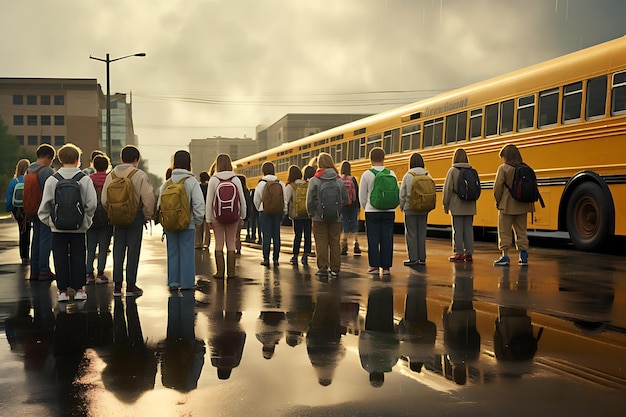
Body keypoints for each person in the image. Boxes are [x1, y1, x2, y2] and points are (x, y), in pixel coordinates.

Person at [38, 143, 97, 301]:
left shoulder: (52, 180)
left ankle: (62, 291)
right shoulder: (84, 179)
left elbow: (44, 207)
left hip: (58, 229)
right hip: (79, 228)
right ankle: (79, 290)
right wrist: (85, 222)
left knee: (60, 258)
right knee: (78, 258)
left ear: (59, 159)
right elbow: (91, 204)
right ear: (78, 160)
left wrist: (52, 223)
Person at [101, 145, 155, 297]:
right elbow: (148, 197)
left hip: (116, 218)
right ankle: (131, 286)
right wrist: (147, 215)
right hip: (135, 217)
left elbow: (104, 200)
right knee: (133, 250)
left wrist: (113, 212)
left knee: (118, 250)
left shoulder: (111, 175)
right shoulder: (139, 175)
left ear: (121, 159)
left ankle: (117, 286)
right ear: (137, 160)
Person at [158, 150, 205, 289]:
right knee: (187, 253)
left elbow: (160, 204)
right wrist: (196, 221)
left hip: (170, 224)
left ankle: (173, 282)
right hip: (187, 224)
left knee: (172, 253)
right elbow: (198, 204)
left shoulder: (167, 183)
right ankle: (187, 283)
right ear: (189, 163)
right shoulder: (191, 182)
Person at [206, 153, 247, 279]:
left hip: (217, 216)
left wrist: (208, 218)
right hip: (233, 216)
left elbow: (209, 201)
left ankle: (219, 272)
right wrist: (242, 216)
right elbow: (242, 200)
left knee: (219, 243)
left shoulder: (214, 180)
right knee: (231, 243)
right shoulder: (235, 180)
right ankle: (231, 272)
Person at [306, 153, 347, 277]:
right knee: (335, 242)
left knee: (321, 242)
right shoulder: (339, 180)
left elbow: (309, 200)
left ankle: (323, 268)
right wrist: (337, 210)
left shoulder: (314, 180)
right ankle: (335, 269)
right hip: (336, 217)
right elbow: (344, 198)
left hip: (319, 217)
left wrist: (311, 213)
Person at [493, 144, 535, 266]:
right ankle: (523, 255)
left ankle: (505, 256)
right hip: (523, 205)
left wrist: (498, 200)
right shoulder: (525, 167)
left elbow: (497, 188)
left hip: (506, 205)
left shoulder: (503, 168)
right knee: (521, 231)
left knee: (504, 231)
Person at [359, 147, 397, 275]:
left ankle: (374, 266)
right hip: (389, 211)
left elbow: (362, 196)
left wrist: (367, 207)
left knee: (373, 239)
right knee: (387, 238)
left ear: (370, 159)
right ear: (384, 158)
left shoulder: (367, 174)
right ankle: (386, 268)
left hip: (372, 211)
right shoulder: (391, 173)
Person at [26, 144, 56, 281]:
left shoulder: (29, 170)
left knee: (36, 239)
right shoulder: (46, 171)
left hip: (32, 208)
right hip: (44, 210)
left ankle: (35, 270)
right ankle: (44, 270)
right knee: (45, 239)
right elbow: (51, 193)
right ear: (48, 157)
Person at [442, 148, 477, 262]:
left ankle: (458, 252)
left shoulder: (452, 171)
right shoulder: (472, 170)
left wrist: (445, 204)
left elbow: (447, 189)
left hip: (457, 205)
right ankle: (469, 253)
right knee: (468, 229)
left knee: (457, 230)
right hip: (470, 205)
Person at [399, 153, 433, 266]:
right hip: (424, 208)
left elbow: (402, 193)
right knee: (422, 233)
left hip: (410, 208)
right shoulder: (427, 174)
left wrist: (402, 206)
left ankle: (413, 258)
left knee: (411, 233)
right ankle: (422, 258)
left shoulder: (408, 175)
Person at [86, 154, 113, 284]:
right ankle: (100, 274)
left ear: (93, 166)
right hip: (107, 218)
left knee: (90, 248)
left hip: (91, 217)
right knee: (103, 247)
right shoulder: (111, 179)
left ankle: (89, 274)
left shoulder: (88, 179)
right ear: (107, 166)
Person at [253, 161, 285, 267]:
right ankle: (276, 259)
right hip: (277, 212)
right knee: (276, 236)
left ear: (263, 171)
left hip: (264, 212)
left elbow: (256, 199)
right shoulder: (280, 183)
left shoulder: (261, 184)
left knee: (266, 235)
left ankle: (266, 259)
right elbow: (284, 200)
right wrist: (283, 212)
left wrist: (260, 208)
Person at [5, 158, 31, 265]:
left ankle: (23, 255)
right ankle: (27, 255)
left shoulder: (14, 181)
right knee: (28, 230)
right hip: (27, 208)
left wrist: (10, 209)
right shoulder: (29, 180)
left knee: (21, 230)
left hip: (17, 209)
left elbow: (9, 197)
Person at [284, 165, 311, 265]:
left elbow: (286, 199)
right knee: (307, 235)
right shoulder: (307, 184)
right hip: (307, 213)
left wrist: (285, 212)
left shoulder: (290, 186)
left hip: (297, 215)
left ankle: (295, 255)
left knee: (298, 235)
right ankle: (305, 256)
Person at [339, 161, 361, 256]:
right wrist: (358, 207)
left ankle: (344, 246)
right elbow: (357, 193)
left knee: (345, 226)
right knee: (354, 225)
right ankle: (356, 245)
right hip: (353, 205)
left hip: (343, 206)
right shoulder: (353, 179)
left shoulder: (339, 179)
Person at [235, 174, 251, 255]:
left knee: (234, 233)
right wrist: (247, 216)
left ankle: (233, 248)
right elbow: (248, 203)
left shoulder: (235, 190)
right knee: (238, 234)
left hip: (234, 214)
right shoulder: (246, 191)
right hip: (241, 215)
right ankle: (238, 248)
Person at [195, 171, 210, 250]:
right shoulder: (209, 186)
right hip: (208, 208)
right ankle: (206, 243)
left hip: (200, 208)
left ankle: (198, 243)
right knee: (207, 228)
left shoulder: (198, 186)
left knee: (198, 227)